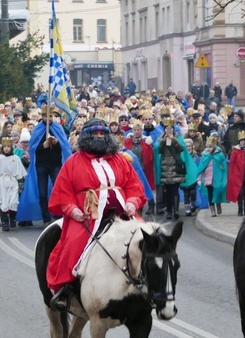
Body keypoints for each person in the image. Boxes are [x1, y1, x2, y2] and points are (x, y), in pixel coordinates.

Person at [46, 118, 146, 311]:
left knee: (146, 238)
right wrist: (72, 209)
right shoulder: (73, 162)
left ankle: (149, 283)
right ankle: (66, 289)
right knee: (74, 243)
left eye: (102, 134)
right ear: (86, 137)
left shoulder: (120, 160)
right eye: (95, 134)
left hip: (122, 213)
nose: (99, 137)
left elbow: (134, 186)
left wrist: (132, 203)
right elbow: (63, 192)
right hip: (87, 215)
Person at [16, 105, 72, 226]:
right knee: (42, 192)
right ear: (42, 117)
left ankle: (57, 216)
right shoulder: (37, 129)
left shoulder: (58, 128)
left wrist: (56, 143)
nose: (48, 118)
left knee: (57, 190)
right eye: (46, 116)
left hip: (55, 165)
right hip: (41, 166)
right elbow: (33, 148)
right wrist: (43, 146)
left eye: (50, 116)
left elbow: (64, 146)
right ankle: (46, 218)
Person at [0, 136, 27, 231]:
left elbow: (20, 173)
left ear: (11, 148)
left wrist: (20, 184)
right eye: (5, 147)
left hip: (13, 182)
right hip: (1, 182)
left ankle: (12, 218)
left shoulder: (16, 158)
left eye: (8, 147)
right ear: (2, 148)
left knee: (13, 201)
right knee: (3, 202)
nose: (6, 148)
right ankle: (4, 222)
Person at [155, 118, 186, 220]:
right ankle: (169, 211)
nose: (169, 131)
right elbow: (158, 150)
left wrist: (173, 139)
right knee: (167, 192)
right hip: (165, 169)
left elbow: (181, 148)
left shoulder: (178, 137)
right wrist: (164, 141)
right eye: (167, 129)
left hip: (175, 168)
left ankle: (176, 210)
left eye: (171, 128)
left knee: (175, 190)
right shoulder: (161, 139)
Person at [197, 136, 227, 217]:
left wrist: (223, 176)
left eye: (210, 147)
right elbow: (201, 167)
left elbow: (224, 166)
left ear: (214, 147)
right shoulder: (205, 156)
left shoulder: (219, 155)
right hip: (208, 179)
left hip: (217, 178)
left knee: (217, 191)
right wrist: (199, 179)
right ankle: (212, 208)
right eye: (207, 147)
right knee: (210, 194)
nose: (208, 149)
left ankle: (218, 203)